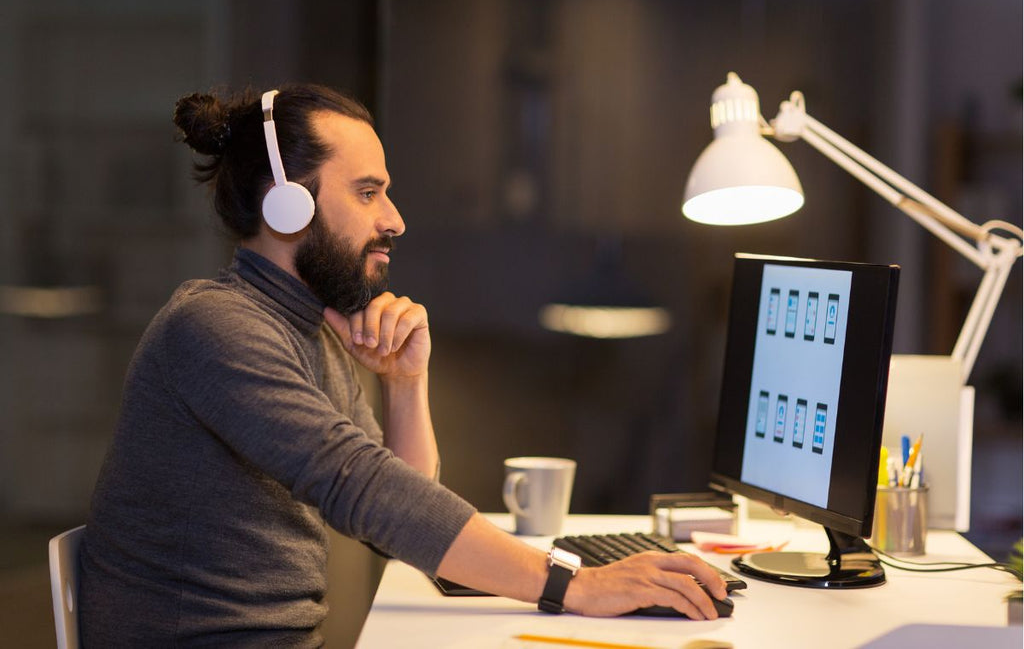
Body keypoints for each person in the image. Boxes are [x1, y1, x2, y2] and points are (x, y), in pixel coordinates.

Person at [78, 83, 727, 646]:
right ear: (287, 206)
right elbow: (360, 485)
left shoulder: (309, 331)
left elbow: (396, 524)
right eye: (367, 192)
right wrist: (577, 584)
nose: (395, 219)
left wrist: (406, 384)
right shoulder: (216, 327)